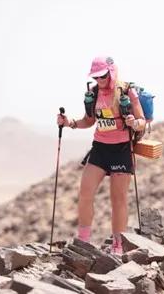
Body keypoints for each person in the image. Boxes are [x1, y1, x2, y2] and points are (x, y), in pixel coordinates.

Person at [57, 56, 146, 254]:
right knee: (85, 193)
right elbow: (88, 121)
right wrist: (69, 122)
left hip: (122, 149)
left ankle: (118, 245)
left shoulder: (126, 91)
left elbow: (142, 121)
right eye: (96, 77)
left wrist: (134, 123)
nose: (100, 80)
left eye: (103, 76)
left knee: (118, 199)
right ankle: (83, 240)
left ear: (111, 72)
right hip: (100, 148)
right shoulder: (93, 92)